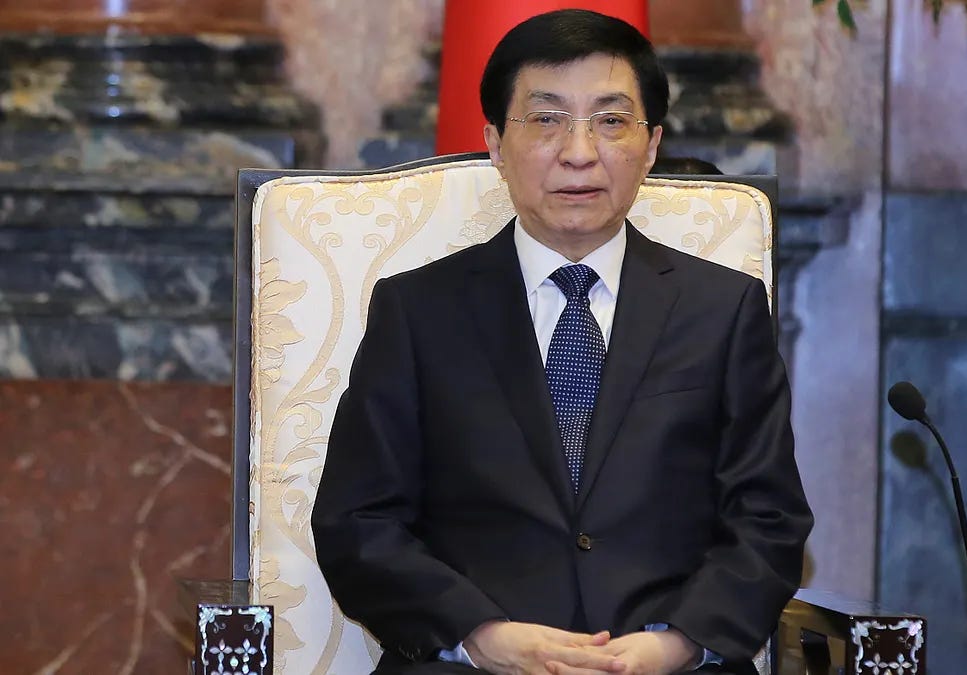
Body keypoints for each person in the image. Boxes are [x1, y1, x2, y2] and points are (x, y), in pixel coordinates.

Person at [312, 9, 812, 675]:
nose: (579, 152)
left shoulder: (723, 310)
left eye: (611, 120)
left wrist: (676, 644)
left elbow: (768, 518)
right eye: (547, 119)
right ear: (495, 144)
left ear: (651, 145)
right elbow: (358, 520)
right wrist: (481, 635)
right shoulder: (417, 311)